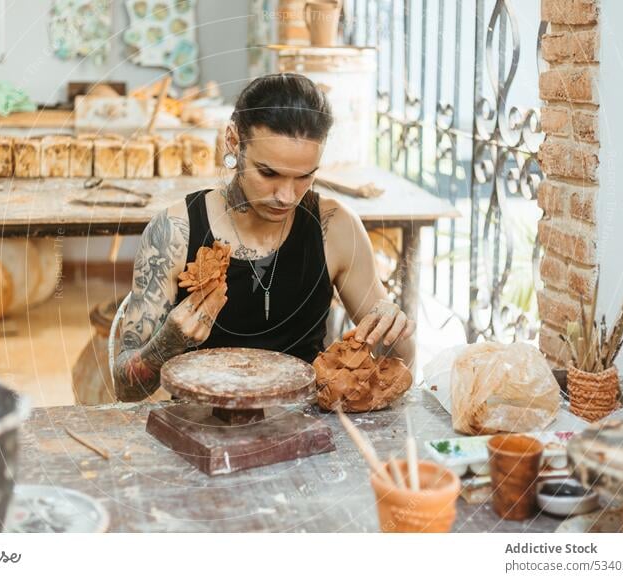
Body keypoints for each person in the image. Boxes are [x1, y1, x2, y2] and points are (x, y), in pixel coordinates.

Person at [113, 73, 415, 402]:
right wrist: (166, 343)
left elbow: (401, 361)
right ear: (233, 142)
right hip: (203, 426)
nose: (286, 196)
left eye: (304, 177)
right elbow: (126, 388)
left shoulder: (336, 228)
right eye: (268, 173)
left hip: (307, 426)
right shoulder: (173, 230)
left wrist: (394, 327)